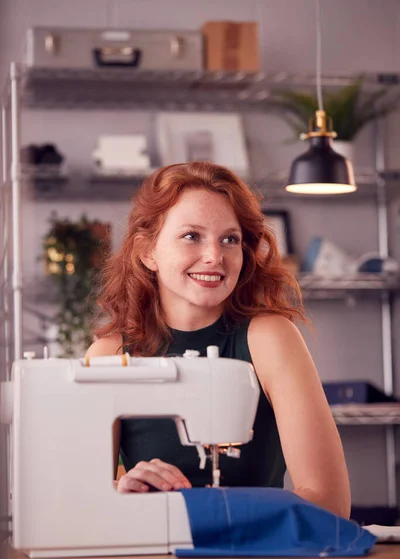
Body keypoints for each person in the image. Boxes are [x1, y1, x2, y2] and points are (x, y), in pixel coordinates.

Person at [86, 161, 351, 519]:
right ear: (147, 252)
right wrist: (120, 493)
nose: (215, 256)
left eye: (230, 239)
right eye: (191, 236)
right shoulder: (109, 355)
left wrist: (187, 508)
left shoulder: (269, 339)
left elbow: (330, 502)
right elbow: (83, 508)